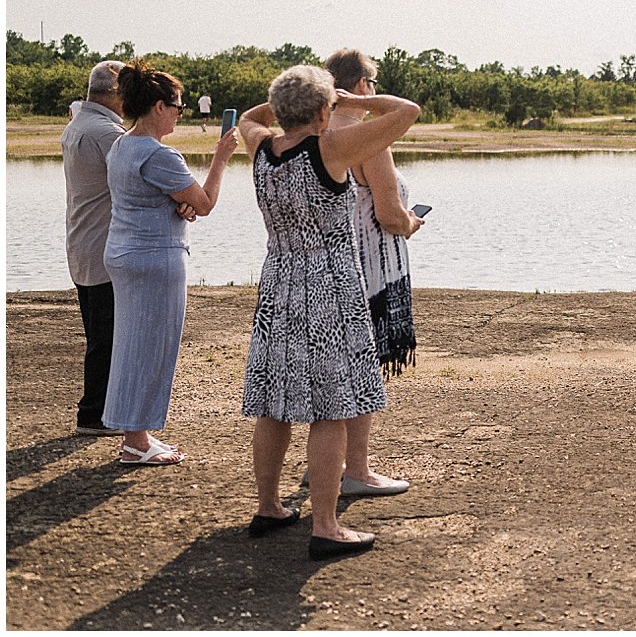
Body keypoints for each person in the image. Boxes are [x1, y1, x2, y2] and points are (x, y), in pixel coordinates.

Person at [238, 66, 420, 560]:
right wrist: (348, 99)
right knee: (333, 407)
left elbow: (250, 118)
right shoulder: (330, 148)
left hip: (278, 281)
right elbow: (408, 113)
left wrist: (286, 105)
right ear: (323, 113)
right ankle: (325, 525)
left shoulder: (260, 147)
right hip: (332, 285)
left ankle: (269, 506)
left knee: (274, 402)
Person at [102, 61, 238, 464]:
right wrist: (221, 157)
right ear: (159, 106)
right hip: (155, 259)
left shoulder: (121, 145)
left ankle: (135, 434)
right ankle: (137, 442)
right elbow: (207, 203)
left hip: (123, 252)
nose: (181, 112)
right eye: (178, 105)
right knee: (153, 348)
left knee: (131, 345)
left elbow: (148, 195)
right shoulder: (160, 154)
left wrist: (177, 204)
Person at [322, 48, 424, 497]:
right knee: (361, 367)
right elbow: (388, 214)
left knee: (334, 367)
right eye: (373, 83)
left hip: (332, 261)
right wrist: (412, 222)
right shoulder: (368, 138)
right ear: (360, 86)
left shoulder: (315, 136)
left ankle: (322, 465)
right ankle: (357, 470)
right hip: (372, 266)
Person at [61, 60, 127, 436]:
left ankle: (98, 409)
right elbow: (135, 178)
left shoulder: (79, 124)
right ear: (115, 94)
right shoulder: (106, 133)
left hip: (83, 242)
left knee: (99, 333)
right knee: (107, 336)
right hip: (102, 247)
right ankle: (95, 413)